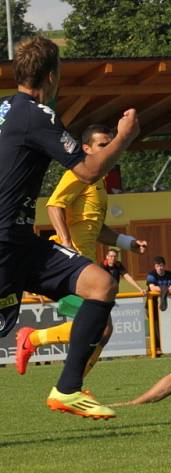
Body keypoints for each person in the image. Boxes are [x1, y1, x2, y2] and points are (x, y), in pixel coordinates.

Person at [3, 36, 139, 419]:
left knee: (100, 284)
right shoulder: (36, 114)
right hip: (5, 241)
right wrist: (124, 136)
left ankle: (67, 389)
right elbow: (90, 168)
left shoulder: (4, 109)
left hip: (20, 239)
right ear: (51, 76)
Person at [16, 123, 148, 379]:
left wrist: (126, 242)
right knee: (101, 327)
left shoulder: (99, 184)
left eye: (110, 144)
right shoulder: (79, 174)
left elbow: (96, 228)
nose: (108, 149)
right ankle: (35, 342)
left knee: (102, 330)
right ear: (86, 149)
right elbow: (54, 205)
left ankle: (72, 383)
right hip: (66, 266)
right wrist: (65, 242)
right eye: (102, 145)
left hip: (83, 267)